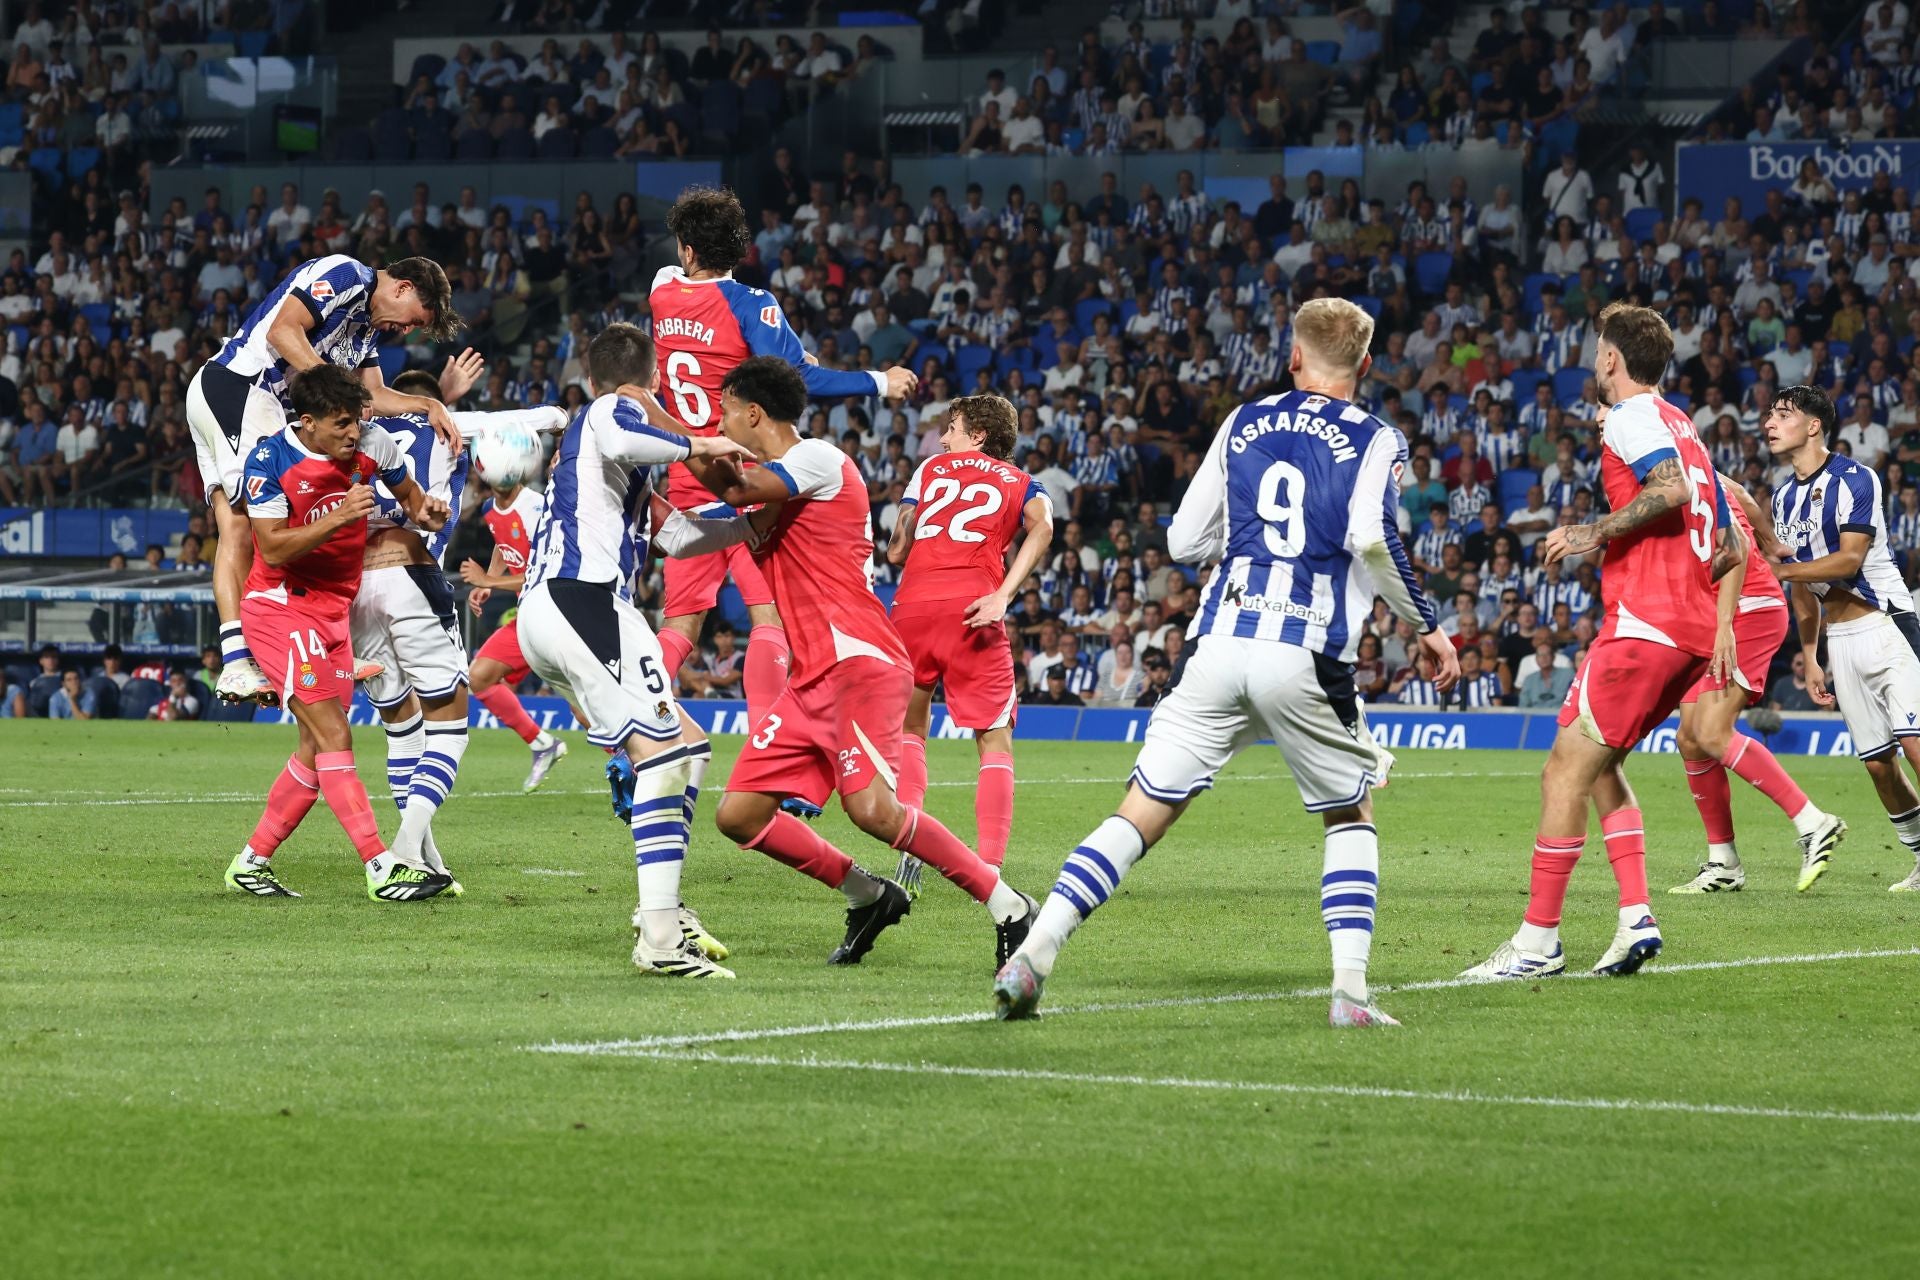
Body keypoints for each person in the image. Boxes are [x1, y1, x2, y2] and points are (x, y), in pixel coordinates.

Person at [995, 297, 1459, 1029]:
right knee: (1349, 814)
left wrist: (1244, 546)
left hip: (1217, 641)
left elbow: (1183, 541)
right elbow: (1372, 538)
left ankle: (1035, 953)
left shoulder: (1243, 420)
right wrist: (1427, 625)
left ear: (1294, 356)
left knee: (1141, 810)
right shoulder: (1377, 438)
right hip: (1304, 648)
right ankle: (1349, 994)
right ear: (1367, 365)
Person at [651, 356, 1038, 970]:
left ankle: (1008, 904)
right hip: (810, 680)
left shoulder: (819, 460)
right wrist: (624, 479)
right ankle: (869, 895)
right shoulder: (771, 498)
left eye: (724, 412)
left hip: (860, 662)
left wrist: (656, 419)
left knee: (873, 811)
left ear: (754, 413)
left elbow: (736, 488)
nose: (719, 424)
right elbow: (678, 537)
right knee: (739, 816)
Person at [1463, 307, 1742, 982]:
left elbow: (1668, 489)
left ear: (1612, 359)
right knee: (1600, 765)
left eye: (1597, 353)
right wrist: (1706, 606)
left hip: (1645, 626)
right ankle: (1636, 917)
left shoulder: (1630, 418)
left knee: (1563, 772)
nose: (1594, 363)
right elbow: (1730, 543)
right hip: (1687, 631)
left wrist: (1592, 532)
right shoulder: (1682, 426)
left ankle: (1537, 944)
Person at [648, 187, 918, 809]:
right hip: (747, 477)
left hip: (685, 475)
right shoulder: (752, 303)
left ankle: (638, 733)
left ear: (686, 249)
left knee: (681, 624)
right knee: (770, 619)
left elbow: (691, 320)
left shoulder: (662, 292)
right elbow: (799, 380)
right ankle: (774, 765)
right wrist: (880, 381)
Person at [516, 325, 753, 977]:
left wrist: (751, 526)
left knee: (689, 746)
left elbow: (677, 537)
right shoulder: (606, 412)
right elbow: (625, 434)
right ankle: (659, 937)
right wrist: (702, 441)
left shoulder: (612, 467)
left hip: (559, 611)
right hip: (582, 599)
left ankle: (665, 908)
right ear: (647, 382)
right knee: (666, 755)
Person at [186, 254, 464, 708]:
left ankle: (255, 654)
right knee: (276, 520)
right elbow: (283, 330)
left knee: (236, 524)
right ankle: (264, 653)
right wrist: (339, 389)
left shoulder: (367, 330)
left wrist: (428, 404)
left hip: (244, 401)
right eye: (415, 319)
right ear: (403, 287)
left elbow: (373, 395)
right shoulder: (346, 273)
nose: (407, 330)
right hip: (242, 390)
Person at [223, 367, 454, 902]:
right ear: (308, 422)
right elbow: (271, 547)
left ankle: (251, 862)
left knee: (314, 747)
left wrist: (428, 514)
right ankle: (381, 867)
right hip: (281, 607)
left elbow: (413, 500)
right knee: (335, 736)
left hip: (334, 613)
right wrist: (342, 514)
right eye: (342, 424)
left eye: (357, 420)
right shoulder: (268, 462)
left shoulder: (373, 444)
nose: (355, 433)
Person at [351, 362, 564, 894]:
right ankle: (404, 853)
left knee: (402, 732)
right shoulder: (443, 425)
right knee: (448, 731)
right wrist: (560, 417)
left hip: (356, 588)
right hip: (410, 576)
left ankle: (429, 864)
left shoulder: (358, 429)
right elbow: (526, 417)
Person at [885, 393, 1053, 894]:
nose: (943, 438)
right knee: (994, 740)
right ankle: (989, 872)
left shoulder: (928, 470)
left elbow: (896, 550)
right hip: (972, 610)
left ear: (978, 435)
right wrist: (1004, 595)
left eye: (952, 428)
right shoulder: (1024, 482)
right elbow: (1043, 527)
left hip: (911, 608)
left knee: (910, 728)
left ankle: (912, 845)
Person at [1767, 384, 1920, 893]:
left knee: (1915, 744)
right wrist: (1812, 655)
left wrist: (1779, 571)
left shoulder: (1856, 478)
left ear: (1813, 425)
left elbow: (1849, 559)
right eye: (1770, 415)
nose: (1769, 423)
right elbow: (1803, 587)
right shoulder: (1782, 497)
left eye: (1782, 414)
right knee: (1878, 765)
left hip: (1887, 623)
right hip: (1842, 640)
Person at [1672, 473, 1846, 894]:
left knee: (1712, 731)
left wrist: (1724, 623)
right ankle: (1724, 862)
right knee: (1690, 738)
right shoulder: (1687, 460)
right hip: (1721, 611)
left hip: (1745, 609)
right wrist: (1771, 541)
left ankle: (1813, 822)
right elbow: (1740, 494)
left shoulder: (1661, 466)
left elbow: (1734, 541)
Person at [461, 422, 572, 792]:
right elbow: (502, 543)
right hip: (530, 618)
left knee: (582, 703)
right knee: (480, 676)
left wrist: (488, 581)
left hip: (555, 614)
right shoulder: (491, 509)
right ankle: (543, 744)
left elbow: (544, 574)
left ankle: (633, 760)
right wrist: (489, 581)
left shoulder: (535, 508)